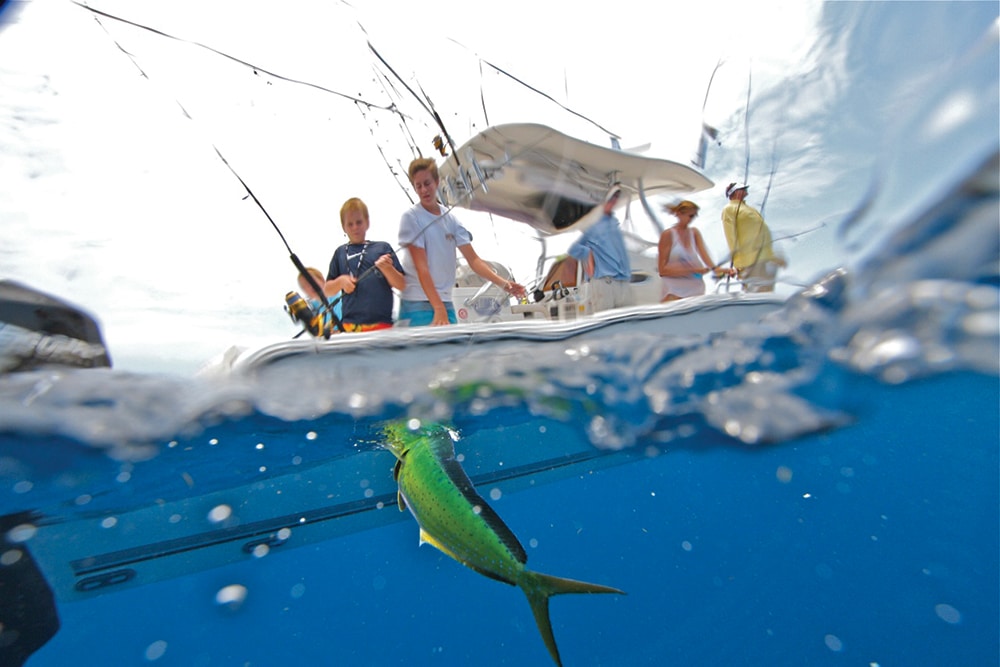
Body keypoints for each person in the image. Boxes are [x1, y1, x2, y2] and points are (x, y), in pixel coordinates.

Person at [397, 157, 526, 327]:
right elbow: (422, 269)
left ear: (436, 182)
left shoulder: (451, 220)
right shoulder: (411, 218)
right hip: (417, 304)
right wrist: (438, 308)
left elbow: (474, 260)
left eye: (427, 183)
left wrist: (504, 284)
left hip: (445, 303)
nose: (423, 190)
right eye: (418, 186)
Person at [326, 197, 405, 332]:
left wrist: (388, 269)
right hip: (350, 328)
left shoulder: (383, 248)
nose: (355, 227)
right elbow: (327, 290)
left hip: (382, 327)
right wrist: (340, 281)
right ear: (343, 227)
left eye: (359, 222)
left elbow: (402, 284)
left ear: (367, 222)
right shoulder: (339, 253)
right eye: (350, 224)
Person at [566, 188, 634, 312]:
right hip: (605, 283)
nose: (614, 202)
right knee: (606, 324)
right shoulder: (592, 225)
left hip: (622, 282)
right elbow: (574, 249)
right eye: (611, 199)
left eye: (616, 198)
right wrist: (589, 256)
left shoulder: (613, 224)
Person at [658, 200, 734, 301]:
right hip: (674, 291)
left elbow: (707, 260)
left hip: (695, 289)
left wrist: (723, 270)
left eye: (694, 216)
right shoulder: (668, 235)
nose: (692, 219)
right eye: (690, 216)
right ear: (679, 214)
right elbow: (663, 271)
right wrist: (692, 270)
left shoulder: (694, 233)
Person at [721, 182, 787, 292]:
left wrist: (774, 256)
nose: (746, 189)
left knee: (767, 294)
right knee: (757, 295)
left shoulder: (750, 208)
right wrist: (739, 264)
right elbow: (731, 237)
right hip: (751, 260)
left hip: (765, 258)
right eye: (743, 188)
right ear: (734, 192)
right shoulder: (729, 209)